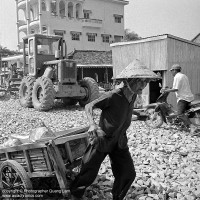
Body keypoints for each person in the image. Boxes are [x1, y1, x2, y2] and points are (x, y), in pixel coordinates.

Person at [69, 59, 160, 200]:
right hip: (103, 139)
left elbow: (125, 110)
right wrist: (93, 125)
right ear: (129, 81)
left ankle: (117, 196)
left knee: (128, 173)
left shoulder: (133, 95)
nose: (144, 85)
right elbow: (89, 106)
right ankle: (75, 194)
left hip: (119, 141)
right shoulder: (112, 95)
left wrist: (139, 114)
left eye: (146, 82)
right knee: (88, 173)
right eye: (141, 81)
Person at [161, 64, 197, 134]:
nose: (171, 72)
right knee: (187, 113)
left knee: (180, 114)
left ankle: (192, 126)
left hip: (183, 98)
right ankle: (183, 126)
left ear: (174, 70)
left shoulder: (177, 77)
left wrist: (165, 90)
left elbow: (176, 89)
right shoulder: (184, 76)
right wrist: (169, 89)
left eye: (171, 71)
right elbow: (179, 87)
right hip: (189, 97)